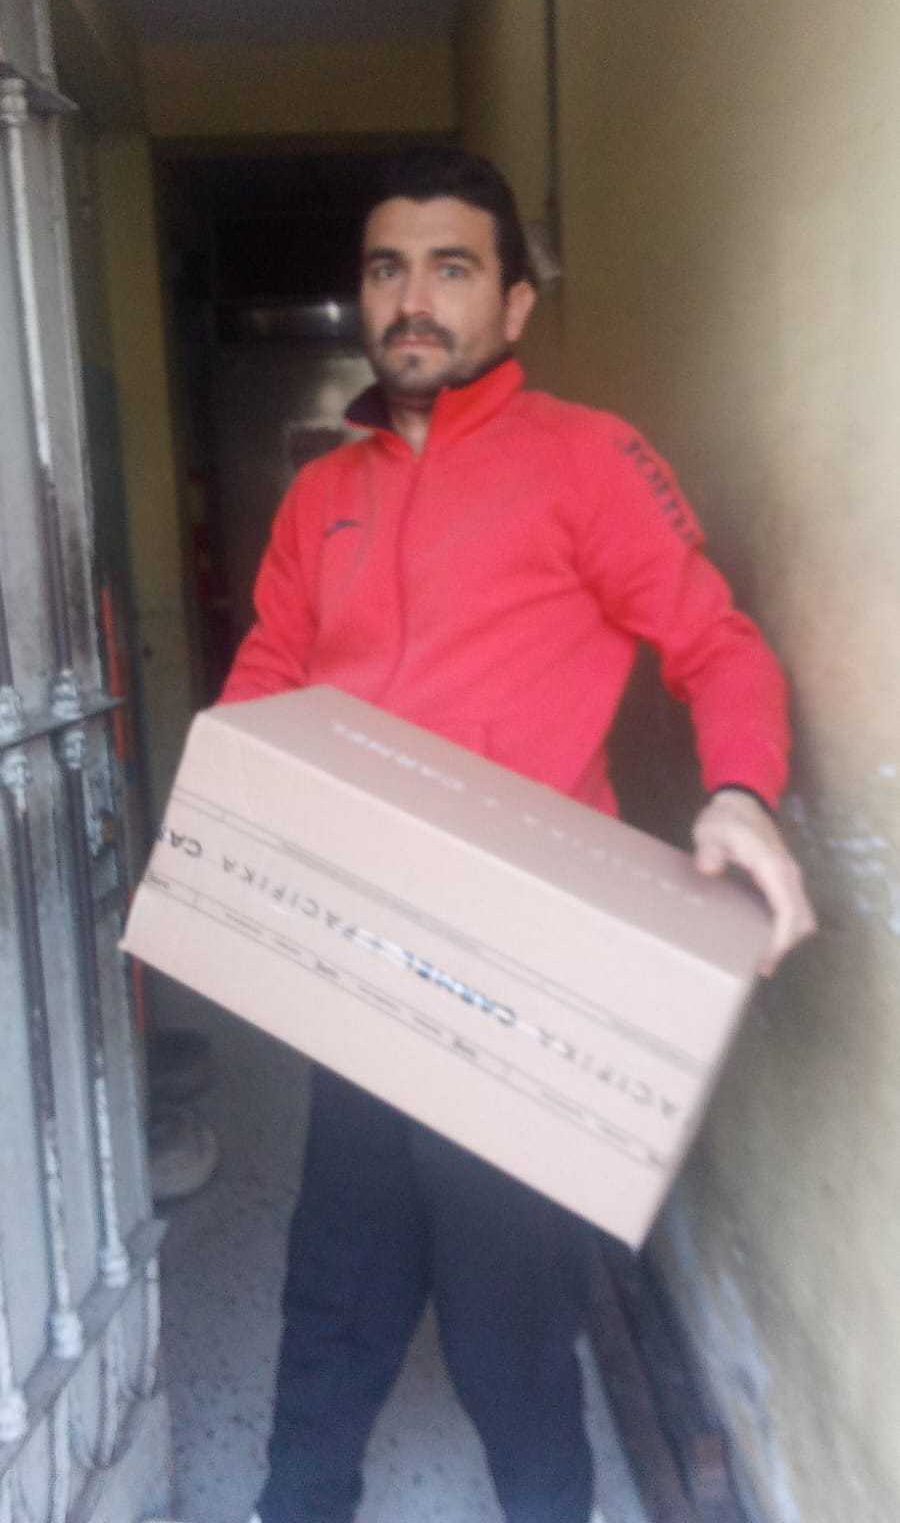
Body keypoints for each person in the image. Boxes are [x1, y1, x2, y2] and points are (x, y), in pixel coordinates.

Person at [187, 148, 817, 1523]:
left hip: (523, 982)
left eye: (452, 268)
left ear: (515, 305)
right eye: (387, 268)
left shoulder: (590, 461)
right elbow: (267, 679)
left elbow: (717, 645)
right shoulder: (320, 495)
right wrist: (227, 823)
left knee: (510, 1325)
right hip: (359, 958)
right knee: (335, 1289)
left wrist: (740, 791)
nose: (412, 299)